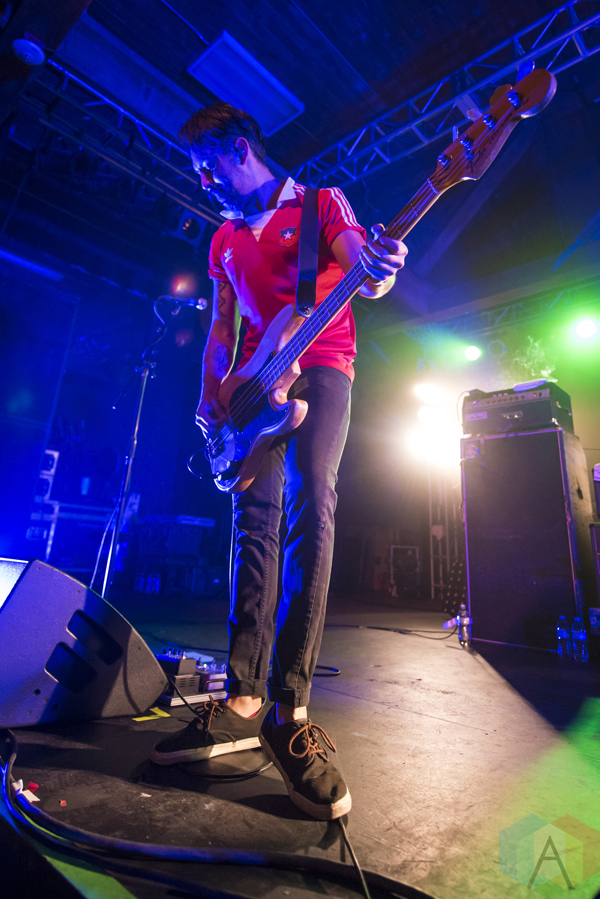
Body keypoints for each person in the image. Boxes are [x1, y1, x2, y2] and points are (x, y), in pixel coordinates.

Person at [151, 102, 407, 820]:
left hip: (322, 365)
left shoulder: (322, 203)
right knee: (251, 528)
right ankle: (242, 698)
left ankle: (290, 711)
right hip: (251, 389)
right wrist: (211, 396)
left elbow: (365, 267)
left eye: (209, 167)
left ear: (241, 149)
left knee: (312, 505)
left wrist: (381, 271)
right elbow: (221, 326)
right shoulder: (223, 238)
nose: (203, 182)